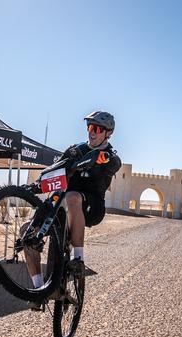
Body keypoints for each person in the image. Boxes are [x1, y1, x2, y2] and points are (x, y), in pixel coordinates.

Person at [26, 111, 121, 307]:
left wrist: (102, 159)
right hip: (64, 203)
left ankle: (78, 258)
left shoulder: (109, 155)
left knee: (72, 196)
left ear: (108, 133)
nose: (92, 132)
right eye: (90, 127)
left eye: (97, 129)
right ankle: (39, 290)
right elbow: (56, 168)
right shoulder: (75, 150)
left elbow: (115, 163)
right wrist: (36, 184)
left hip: (91, 207)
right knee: (26, 232)